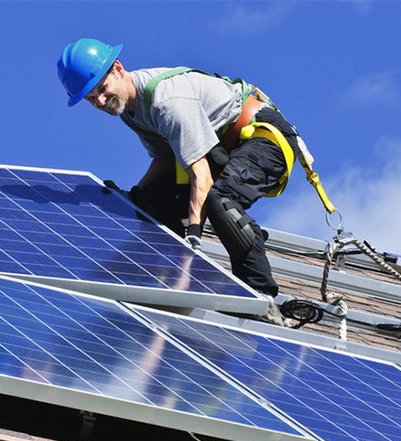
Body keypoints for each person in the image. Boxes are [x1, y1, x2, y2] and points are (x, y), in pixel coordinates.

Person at [57, 38, 301, 325]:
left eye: (102, 88)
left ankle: (260, 296)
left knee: (220, 201)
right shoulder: (130, 111)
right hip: (222, 150)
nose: (100, 101)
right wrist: (135, 195)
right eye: (90, 98)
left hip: (265, 138)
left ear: (119, 69)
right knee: (149, 201)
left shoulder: (165, 101)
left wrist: (194, 238)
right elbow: (163, 160)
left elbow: (202, 177)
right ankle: (161, 277)